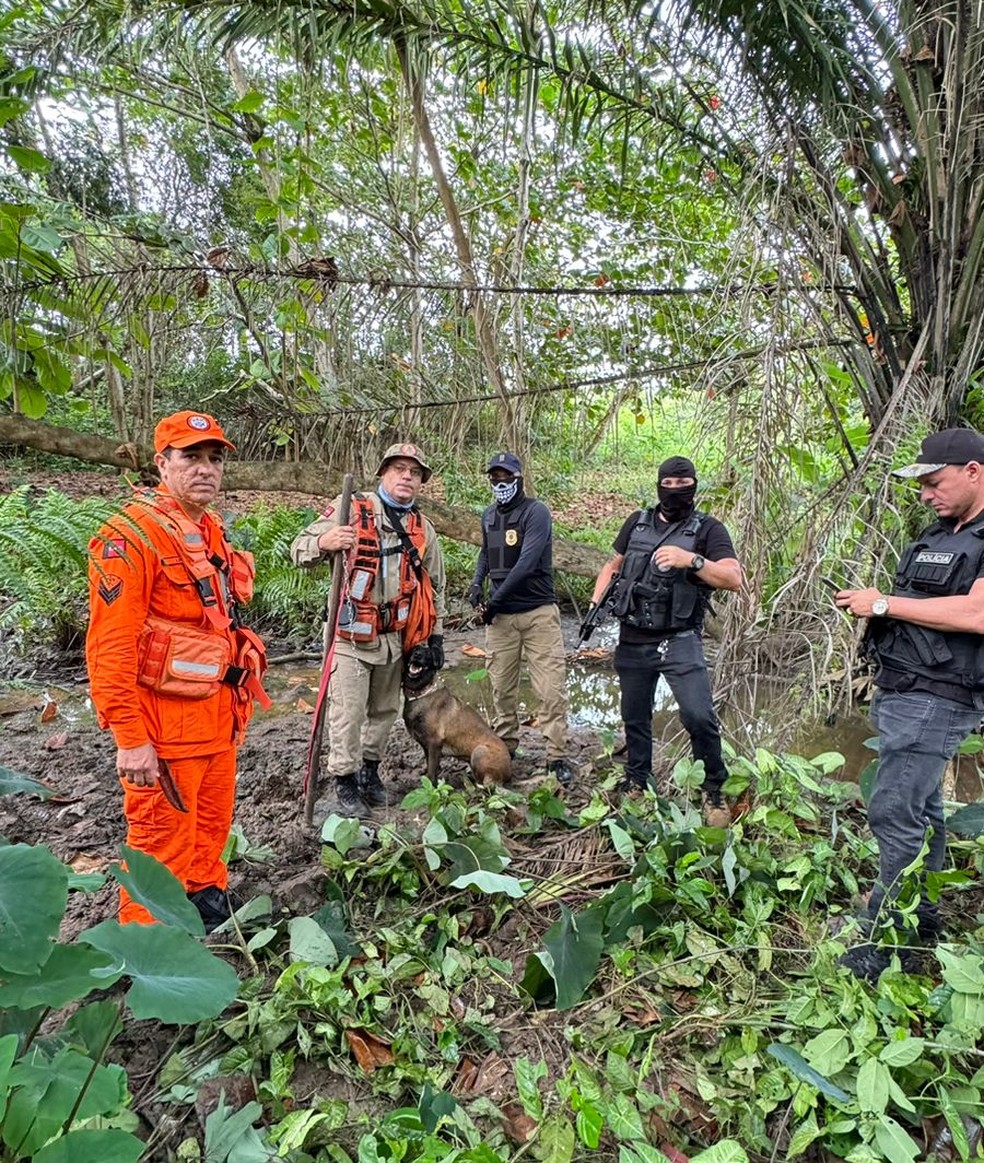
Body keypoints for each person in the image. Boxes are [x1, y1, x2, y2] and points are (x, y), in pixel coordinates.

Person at [86, 410, 269, 931]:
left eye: (214, 459)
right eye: (191, 457)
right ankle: (145, 945)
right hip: (164, 735)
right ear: (162, 463)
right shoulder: (129, 537)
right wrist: (130, 738)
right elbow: (110, 647)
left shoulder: (210, 531)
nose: (206, 469)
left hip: (217, 721)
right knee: (158, 842)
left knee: (211, 827)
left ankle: (207, 900)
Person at [835, 428, 984, 980]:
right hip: (904, 687)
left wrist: (882, 602)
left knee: (893, 809)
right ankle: (922, 921)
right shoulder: (939, 536)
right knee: (921, 811)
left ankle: (883, 942)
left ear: (973, 470)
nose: (925, 494)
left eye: (933, 482)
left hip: (940, 697)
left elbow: (977, 615)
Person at [291, 443, 446, 815]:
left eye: (414, 472)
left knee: (384, 711)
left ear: (421, 481)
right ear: (383, 473)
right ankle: (344, 780)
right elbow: (298, 549)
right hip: (349, 636)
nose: (406, 476)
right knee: (348, 711)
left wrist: (433, 637)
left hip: (395, 637)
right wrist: (324, 542)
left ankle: (369, 772)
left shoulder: (422, 528)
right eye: (398, 469)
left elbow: (435, 587)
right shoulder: (351, 509)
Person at [587, 455, 741, 823]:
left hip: (680, 638)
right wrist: (598, 600)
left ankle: (714, 789)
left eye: (682, 484)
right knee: (634, 716)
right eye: (667, 484)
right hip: (633, 636)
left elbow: (733, 578)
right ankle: (638, 779)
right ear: (658, 485)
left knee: (699, 715)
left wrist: (693, 561)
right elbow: (613, 564)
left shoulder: (708, 530)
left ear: (694, 486)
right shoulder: (637, 523)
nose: (674, 491)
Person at [468, 452, 573, 784]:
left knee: (550, 689)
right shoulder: (488, 516)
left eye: (506, 478)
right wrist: (475, 584)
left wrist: (493, 602)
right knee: (501, 688)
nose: (500, 484)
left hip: (537, 613)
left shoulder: (535, 512)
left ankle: (556, 755)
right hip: (502, 621)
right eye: (494, 478)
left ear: (519, 478)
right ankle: (505, 746)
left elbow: (527, 563)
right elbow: (486, 552)